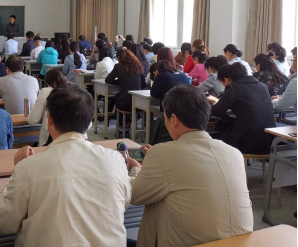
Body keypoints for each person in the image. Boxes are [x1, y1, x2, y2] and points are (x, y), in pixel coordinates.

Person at [0, 84, 132, 247]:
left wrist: (17, 170)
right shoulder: (115, 159)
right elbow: (124, 202)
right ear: (90, 120)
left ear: (49, 118)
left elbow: (2, 223)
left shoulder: (28, 167)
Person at [128, 85, 253, 247]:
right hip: (240, 243)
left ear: (173, 119)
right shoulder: (234, 153)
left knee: (155, 202)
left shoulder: (163, 154)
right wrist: (159, 158)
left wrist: (136, 168)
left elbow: (134, 195)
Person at [209, 63, 276, 154]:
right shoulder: (263, 86)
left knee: (213, 136)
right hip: (268, 140)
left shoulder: (233, 87)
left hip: (247, 141)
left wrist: (213, 103)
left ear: (227, 80)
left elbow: (217, 111)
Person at [28, 70, 68, 146]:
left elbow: (32, 121)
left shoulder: (46, 92)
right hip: (74, 140)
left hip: (51, 140)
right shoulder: (74, 91)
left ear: (47, 84)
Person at [106, 48, 144, 112]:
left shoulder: (118, 66)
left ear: (118, 57)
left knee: (115, 98)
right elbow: (143, 82)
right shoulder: (137, 66)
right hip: (139, 102)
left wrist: (120, 81)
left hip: (125, 103)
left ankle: (117, 117)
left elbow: (108, 80)